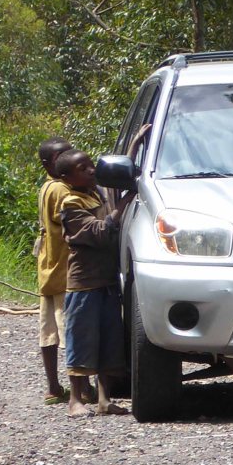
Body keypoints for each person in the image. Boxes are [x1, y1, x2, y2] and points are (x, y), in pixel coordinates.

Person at [56, 149, 137, 416]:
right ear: (66, 177)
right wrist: (122, 207)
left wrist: (133, 148)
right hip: (84, 283)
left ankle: (104, 399)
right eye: (83, 168)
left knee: (108, 339)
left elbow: (116, 177)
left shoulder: (95, 194)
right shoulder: (70, 203)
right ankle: (75, 400)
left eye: (91, 165)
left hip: (106, 280)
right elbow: (98, 231)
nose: (91, 170)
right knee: (82, 338)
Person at [35, 137, 75, 405]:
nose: (66, 160)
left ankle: (53, 387)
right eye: (61, 156)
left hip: (49, 269)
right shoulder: (61, 189)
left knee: (48, 330)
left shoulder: (47, 187)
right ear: (48, 164)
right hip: (65, 271)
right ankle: (79, 389)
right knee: (70, 331)